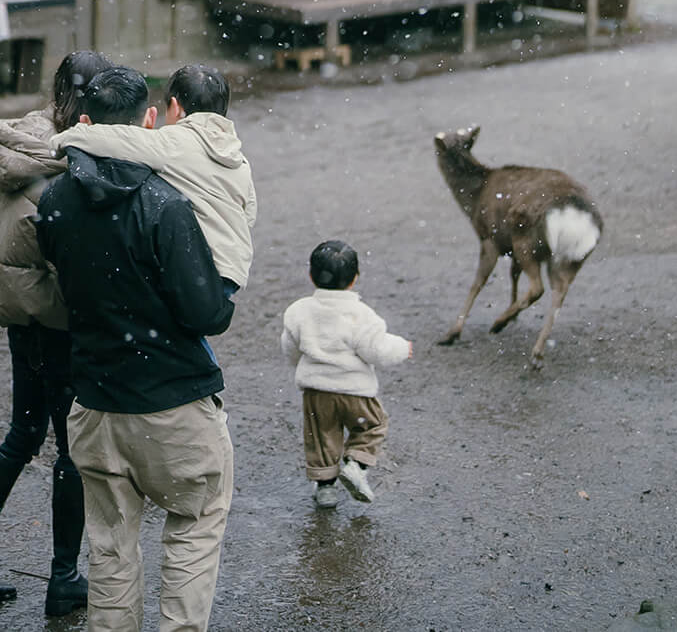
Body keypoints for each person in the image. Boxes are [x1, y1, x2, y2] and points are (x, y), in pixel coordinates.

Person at [36, 65, 236, 632]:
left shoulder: (53, 202)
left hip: (96, 405)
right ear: (148, 121)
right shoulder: (165, 204)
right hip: (173, 404)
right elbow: (207, 315)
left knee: (110, 549)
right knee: (194, 527)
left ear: (82, 123)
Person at [0, 48, 113, 612]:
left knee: (23, 434)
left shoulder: (20, 148)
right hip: (57, 325)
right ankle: (64, 577)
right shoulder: (66, 173)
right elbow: (78, 268)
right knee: (72, 450)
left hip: (22, 320)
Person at [52, 61, 257, 288]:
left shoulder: (173, 142)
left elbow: (118, 139)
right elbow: (248, 215)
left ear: (176, 107)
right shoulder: (238, 157)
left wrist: (66, 138)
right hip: (233, 268)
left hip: (203, 268)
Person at [280, 238, 413, 509]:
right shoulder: (362, 315)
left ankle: (325, 488)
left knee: (322, 437)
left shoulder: (299, 311)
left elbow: (290, 347)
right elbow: (376, 350)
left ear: (311, 276)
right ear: (355, 279)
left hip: (317, 393)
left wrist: (304, 366)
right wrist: (402, 347)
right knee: (373, 425)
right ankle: (356, 464)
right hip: (355, 392)